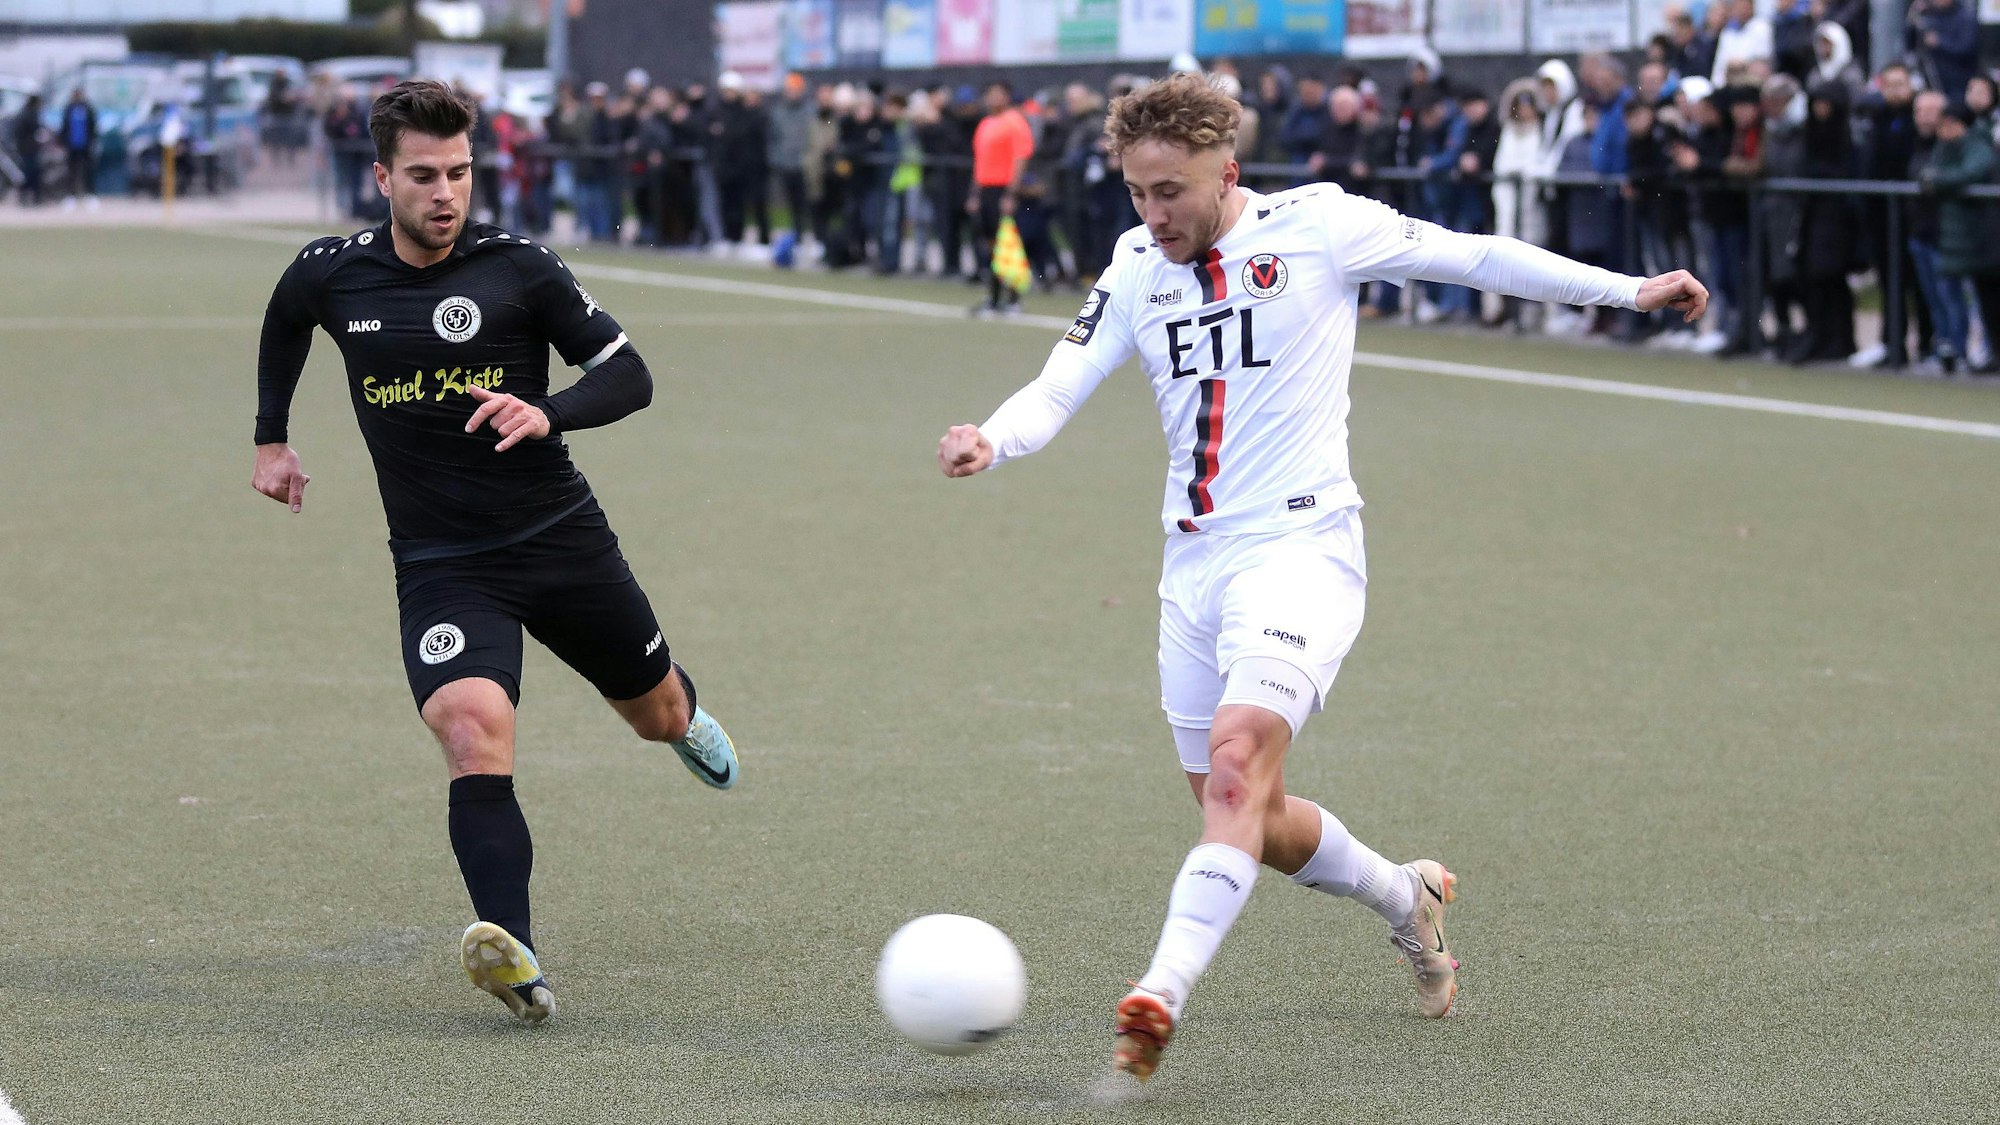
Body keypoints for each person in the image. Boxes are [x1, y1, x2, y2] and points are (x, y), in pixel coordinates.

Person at [933, 72, 1707, 1082]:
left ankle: (1154, 998)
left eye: (1169, 190)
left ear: (1226, 170)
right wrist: (990, 440)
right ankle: (1402, 898)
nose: (1151, 212)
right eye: (1135, 191)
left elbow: (1471, 257)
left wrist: (1626, 292)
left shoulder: (1320, 227)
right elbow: (1059, 382)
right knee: (1247, 814)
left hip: (1301, 551)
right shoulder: (1132, 265)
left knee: (1231, 770)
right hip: (1191, 570)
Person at [250, 80, 740, 1024]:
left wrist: (547, 408)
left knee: (656, 716)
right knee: (471, 729)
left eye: (462, 173)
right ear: (383, 176)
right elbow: (284, 319)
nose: (447, 193)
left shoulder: (521, 267)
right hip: (442, 562)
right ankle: (514, 954)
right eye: (425, 175)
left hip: (560, 541)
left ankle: (686, 714)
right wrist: (271, 436)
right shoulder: (333, 272)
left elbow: (630, 374)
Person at [966, 81, 1036, 315]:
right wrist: (975, 193)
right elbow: (980, 161)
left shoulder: (1014, 122)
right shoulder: (985, 124)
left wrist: (1011, 193)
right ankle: (994, 297)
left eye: (998, 94)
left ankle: (1013, 298)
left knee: (1007, 245)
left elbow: (1020, 157)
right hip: (986, 189)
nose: (993, 99)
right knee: (990, 246)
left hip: (1002, 189)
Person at [59, 86, 97, 208]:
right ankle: (71, 196)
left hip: (85, 146)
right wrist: (63, 142)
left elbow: (93, 126)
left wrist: (93, 141)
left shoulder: (88, 109)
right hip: (72, 146)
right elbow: (64, 127)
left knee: (87, 171)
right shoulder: (69, 109)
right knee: (71, 172)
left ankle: (89, 195)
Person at [11, 93, 43, 206]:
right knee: (31, 172)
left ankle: (25, 196)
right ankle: (33, 197)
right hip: (29, 149)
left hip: (24, 148)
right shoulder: (30, 115)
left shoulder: (22, 114)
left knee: (26, 172)